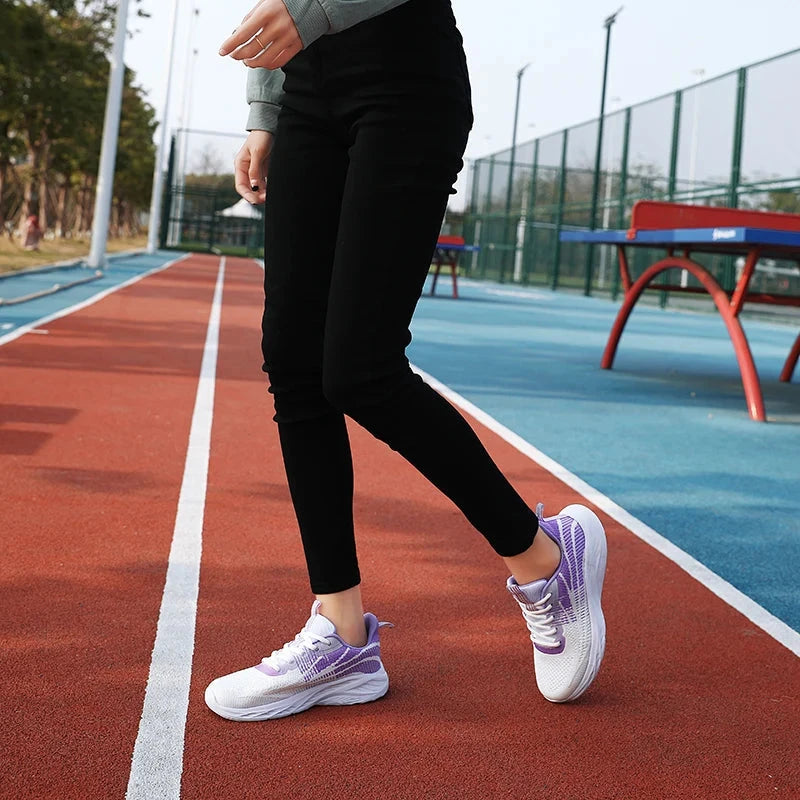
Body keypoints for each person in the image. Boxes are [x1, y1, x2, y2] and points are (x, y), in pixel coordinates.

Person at [205, 0, 608, 722]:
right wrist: (264, 109)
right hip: (305, 87)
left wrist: (317, 10)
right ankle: (342, 634)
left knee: (360, 369)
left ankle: (544, 561)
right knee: (293, 366)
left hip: (402, 78)